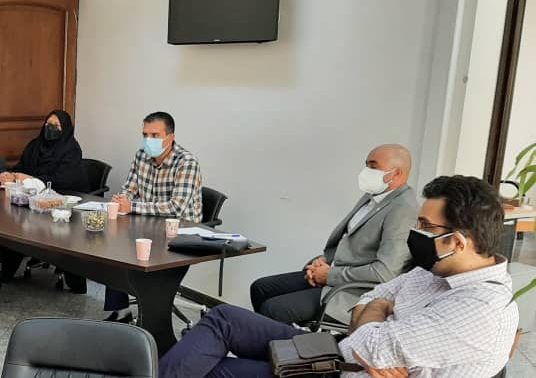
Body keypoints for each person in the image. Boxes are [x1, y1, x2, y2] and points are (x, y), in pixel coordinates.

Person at [160, 175, 519, 378]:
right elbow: (370, 301)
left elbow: (370, 344)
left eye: (425, 226)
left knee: (213, 370)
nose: (416, 232)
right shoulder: (436, 270)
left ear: (457, 241)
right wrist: (379, 311)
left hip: (342, 372)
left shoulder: (480, 309)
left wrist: (377, 317)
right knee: (223, 318)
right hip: (336, 353)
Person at [250, 144, 417, 325]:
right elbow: (351, 242)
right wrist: (323, 260)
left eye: (373, 166)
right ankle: (275, 337)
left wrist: (330, 275)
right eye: (366, 165)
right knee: (261, 288)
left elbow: (385, 272)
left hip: (354, 292)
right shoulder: (374, 196)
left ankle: (282, 341)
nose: (366, 171)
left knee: (273, 309)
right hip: (335, 275)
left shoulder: (403, 209)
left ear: (396, 173)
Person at [105, 112, 203, 322]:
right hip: (147, 225)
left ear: (170, 137)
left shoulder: (186, 162)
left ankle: (152, 324)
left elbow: (176, 208)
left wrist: (132, 205)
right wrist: (121, 199)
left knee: (141, 267)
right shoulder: (141, 155)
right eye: (145, 134)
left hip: (177, 233)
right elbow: (129, 188)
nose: (148, 140)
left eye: (155, 135)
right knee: (113, 250)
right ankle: (122, 312)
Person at [0, 110, 88, 293]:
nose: (50, 128)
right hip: (33, 202)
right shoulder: (35, 145)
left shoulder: (71, 150)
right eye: (48, 124)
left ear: (66, 129)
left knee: (64, 237)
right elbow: (21, 167)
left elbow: (64, 180)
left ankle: (75, 280)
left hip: (63, 204)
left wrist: (32, 179)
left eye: (56, 125)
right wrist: (11, 174)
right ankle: (6, 272)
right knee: (11, 226)